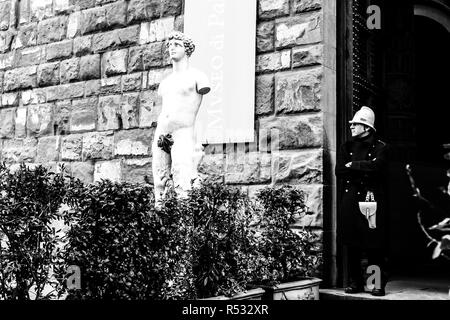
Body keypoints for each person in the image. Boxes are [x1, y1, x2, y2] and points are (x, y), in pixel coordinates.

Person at [335, 106, 390, 296]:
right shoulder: (346, 147)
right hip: (350, 199)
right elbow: (340, 171)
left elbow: (378, 168)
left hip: (371, 199)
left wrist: (355, 166)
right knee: (352, 243)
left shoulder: (381, 147)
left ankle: (376, 283)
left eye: (355, 124)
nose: (351, 127)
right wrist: (364, 168)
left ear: (366, 127)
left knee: (374, 244)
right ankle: (355, 283)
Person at [152, 31, 211, 205]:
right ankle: (160, 222)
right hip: (162, 131)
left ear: (187, 49)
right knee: (159, 179)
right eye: (170, 45)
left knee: (182, 177)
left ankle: (183, 226)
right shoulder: (165, 82)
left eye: (176, 45)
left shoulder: (198, 77)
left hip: (183, 131)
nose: (172, 48)